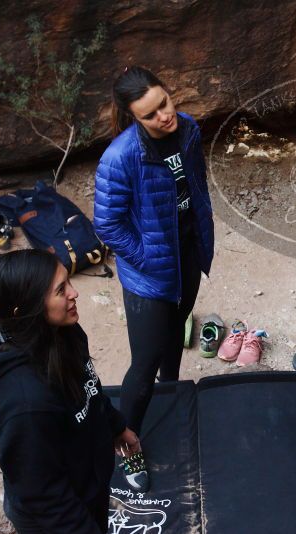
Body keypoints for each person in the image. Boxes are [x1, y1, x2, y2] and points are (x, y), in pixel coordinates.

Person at [93, 66, 215, 491]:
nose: (165, 116)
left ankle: (173, 397)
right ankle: (127, 446)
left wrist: (200, 233)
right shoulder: (121, 157)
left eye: (164, 102)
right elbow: (107, 225)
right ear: (134, 119)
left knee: (173, 345)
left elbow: (195, 185)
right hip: (149, 275)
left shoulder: (189, 129)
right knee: (144, 365)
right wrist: (146, 257)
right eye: (151, 114)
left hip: (186, 256)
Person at [0, 250, 141, 533]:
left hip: (87, 486)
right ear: (25, 309)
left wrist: (116, 426)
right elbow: (46, 499)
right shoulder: (26, 404)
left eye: (68, 282)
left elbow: (89, 387)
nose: (75, 294)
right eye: (61, 290)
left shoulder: (65, 333)